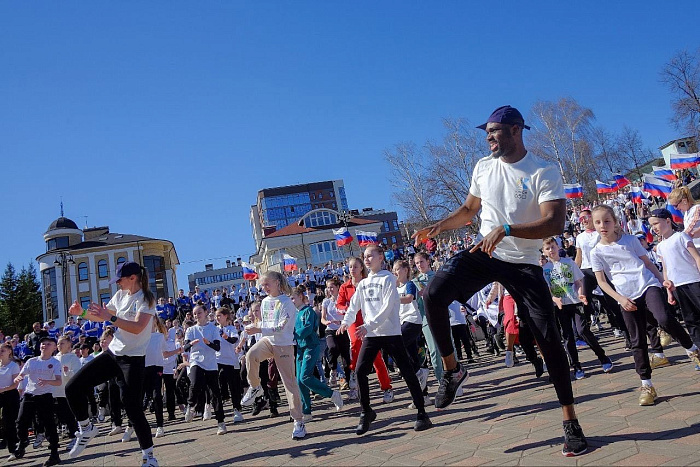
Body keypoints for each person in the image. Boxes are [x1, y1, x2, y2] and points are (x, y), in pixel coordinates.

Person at [413, 105, 587, 456]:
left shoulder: (543, 170)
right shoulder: (483, 166)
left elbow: (554, 223)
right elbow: (468, 210)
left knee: (548, 339)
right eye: (487, 132)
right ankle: (452, 371)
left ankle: (571, 422)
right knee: (431, 295)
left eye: (494, 131)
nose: (489, 137)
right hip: (485, 254)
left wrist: (507, 229)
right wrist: (439, 225)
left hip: (523, 263)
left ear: (516, 130)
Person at [590, 205, 699, 407]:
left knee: (664, 319)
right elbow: (602, 282)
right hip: (625, 296)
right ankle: (647, 385)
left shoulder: (630, 241)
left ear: (615, 222)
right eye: (598, 222)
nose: (603, 226)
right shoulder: (596, 252)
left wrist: (663, 281)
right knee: (637, 341)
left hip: (648, 284)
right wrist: (620, 299)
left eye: (607, 221)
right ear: (592, 225)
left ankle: (692, 349)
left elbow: (648, 264)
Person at [64, 261, 159, 466]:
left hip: (133, 359)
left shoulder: (147, 300)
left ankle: (149, 456)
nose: (117, 284)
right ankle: (87, 428)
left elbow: (137, 328)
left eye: (120, 280)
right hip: (113, 354)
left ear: (132, 278)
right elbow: (101, 317)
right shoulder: (120, 296)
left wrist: (112, 318)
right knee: (72, 387)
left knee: (132, 406)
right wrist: (80, 313)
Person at [338, 245, 433, 435]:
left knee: (407, 371)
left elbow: (389, 305)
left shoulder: (389, 278)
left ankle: (422, 413)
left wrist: (369, 325)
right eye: (364, 256)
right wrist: (346, 322)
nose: (366, 259)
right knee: (360, 371)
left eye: (370, 255)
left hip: (390, 333)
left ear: (381, 257)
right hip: (372, 335)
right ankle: (366, 411)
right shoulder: (363, 283)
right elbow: (354, 306)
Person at [240, 271, 306, 440]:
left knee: (289, 384)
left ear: (277, 282)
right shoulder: (264, 302)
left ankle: (298, 421)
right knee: (251, 355)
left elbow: (281, 328)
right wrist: (253, 327)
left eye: (267, 284)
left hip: (284, 345)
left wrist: (259, 329)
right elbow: (266, 324)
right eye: (262, 285)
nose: (264, 288)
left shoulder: (287, 303)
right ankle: (255, 387)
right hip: (268, 341)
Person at [541, 237, 613, 379]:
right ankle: (576, 366)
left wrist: (581, 295)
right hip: (560, 306)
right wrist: (554, 299)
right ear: (543, 251)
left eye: (553, 247)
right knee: (567, 336)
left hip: (575, 302)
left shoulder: (569, 263)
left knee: (583, 330)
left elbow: (578, 282)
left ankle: (603, 357)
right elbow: (547, 290)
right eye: (548, 248)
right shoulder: (544, 270)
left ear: (558, 247)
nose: (551, 251)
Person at [336, 257, 394, 403]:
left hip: (369, 320)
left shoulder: (368, 282)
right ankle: (354, 377)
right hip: (353, 321)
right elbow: (339, 305)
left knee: (376, 356)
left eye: (355, 266)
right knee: (355, 344)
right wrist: (348, 309)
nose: (352, 269)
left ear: (361, 268)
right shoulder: (345, 287)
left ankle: (387, 387)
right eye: (350, 267)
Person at [648, 208, 700, 369]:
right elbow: (666, 268)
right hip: (678, 287)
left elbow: (696, 258)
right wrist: (669, 290)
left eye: (656, 223)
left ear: (668, 221)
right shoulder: (661, 246)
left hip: (694, 281)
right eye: (651, 225)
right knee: (691, 321)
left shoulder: (681, 237)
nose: (654, 228)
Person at [291, 284, 343, 421]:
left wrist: (293, 334)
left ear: (301, 297)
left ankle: (332, 394)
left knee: (305, 377)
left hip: (311, 346)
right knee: (299, 381)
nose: (292, 301)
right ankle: (306, 411)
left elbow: (307, 329)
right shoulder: (295, 314)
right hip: (300, 349)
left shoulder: (308, 311)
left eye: (293, 298)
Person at [13, 336, 62, 466]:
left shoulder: (55, 362)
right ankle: (23, 441)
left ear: (54, 347)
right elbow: (22, 374)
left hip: (45, 396)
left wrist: (47, 381)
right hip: (29, 395)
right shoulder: (31, 361)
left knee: (49, 424)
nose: (44, 346)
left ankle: (54, 454)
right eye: (43, 344)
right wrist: (18, 378)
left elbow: (58, 381)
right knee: (20, 421)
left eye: (48, 344)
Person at [183, 305, 226, 435]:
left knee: (215, 393)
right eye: (194, 314)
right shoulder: (190, 330)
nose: (197, 315)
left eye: (199, 312)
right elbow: (185, 347)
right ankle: (191, 406)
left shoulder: (213, 328)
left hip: (211, 363)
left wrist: (209, 344)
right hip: (196, 360)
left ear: (206, 312)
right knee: (195, 383)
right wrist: (191, 344)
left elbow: (217, 347)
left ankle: (221, 422)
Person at [214, 307, 244, 423]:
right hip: (218, 359)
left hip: (231, 361)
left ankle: (237, 410)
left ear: (225, 316)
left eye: (219, 316)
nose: (217, 318)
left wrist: (226, 337)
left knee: (234, 387)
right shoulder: (215, 329)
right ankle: (224, 397)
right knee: (220, 379)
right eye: (216, 316)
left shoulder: (231, 328)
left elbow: (234, 341)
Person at [321, 278, 351, 388]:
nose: (330, 290)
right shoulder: (326, 301)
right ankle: (333, 370)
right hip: (330, 329)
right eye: (328, 288)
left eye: (332, 287)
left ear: (338, 287)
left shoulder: (343, 300)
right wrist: (327, 322)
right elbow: (322, 319)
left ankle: (349, 383)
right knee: (332, 347)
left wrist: (342, 322)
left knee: (346, 358)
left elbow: (349, 315)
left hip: (343, 329)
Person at [0, 343, 20, 462]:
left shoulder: (13, 366)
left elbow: (15, 384)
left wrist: (4, 389)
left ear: (9, 352)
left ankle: (13, 449)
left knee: (9, 422)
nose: (0, 352)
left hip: (10, 394)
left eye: (3, 350)